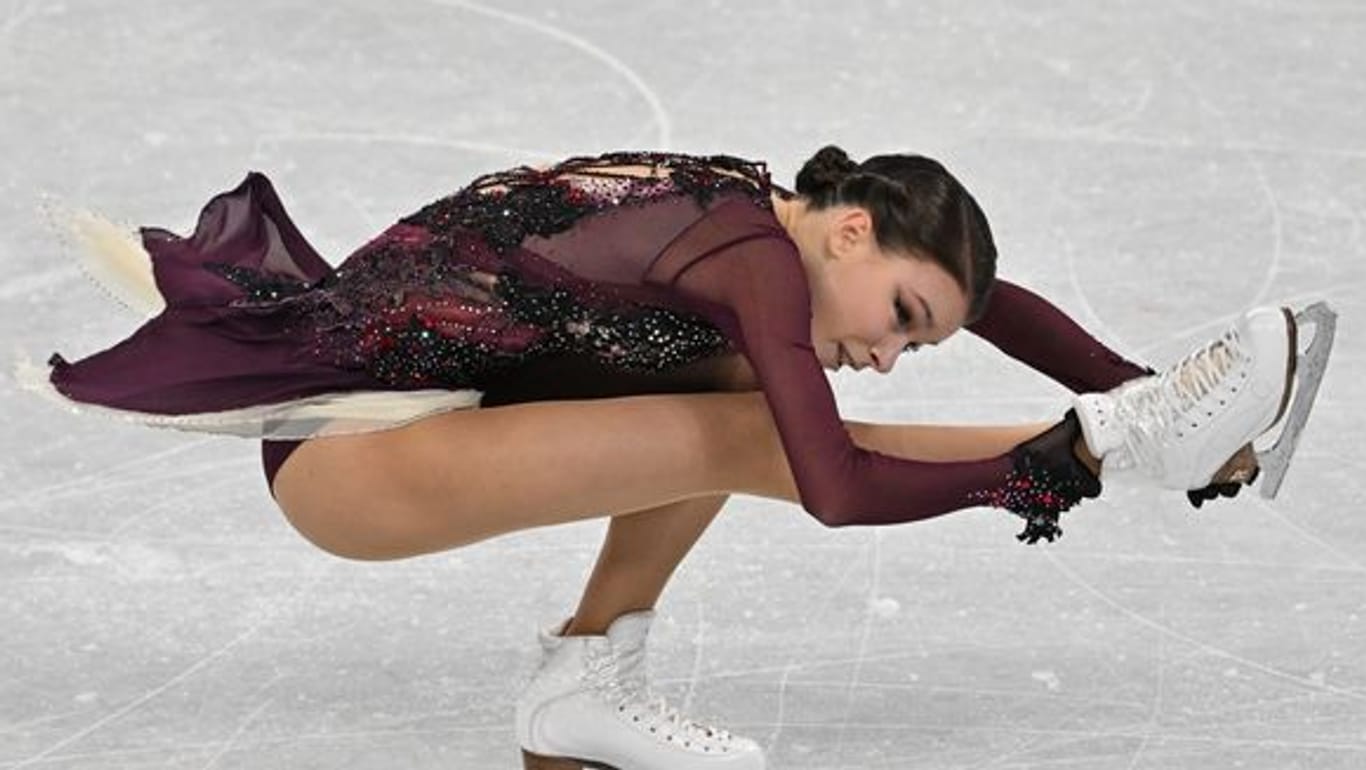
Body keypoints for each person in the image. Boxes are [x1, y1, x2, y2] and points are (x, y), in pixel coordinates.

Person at [23, 146, 1312, 770]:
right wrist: (1089, 453)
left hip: (425, 425)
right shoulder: (754, 260)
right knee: (755, 419)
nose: (895, 351)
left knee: (740, 378)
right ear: (852, 233)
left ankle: (583, 681)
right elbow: (834, 488)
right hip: (351, 468)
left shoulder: (766, 224)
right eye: (904, 320)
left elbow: (995, 299)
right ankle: (1138, 450)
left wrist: (1127, 379)